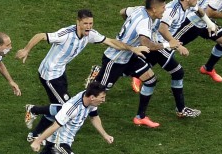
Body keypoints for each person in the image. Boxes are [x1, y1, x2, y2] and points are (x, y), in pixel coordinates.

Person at [16, 9, 147, 142]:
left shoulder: (90, 34)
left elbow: (111, 42)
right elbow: (41, 35)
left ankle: (35, 133)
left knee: (57, 105)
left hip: (60, 72)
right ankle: (34, 110)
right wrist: (26, 50)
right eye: (85, 23)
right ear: (78, 22)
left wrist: (132, 49)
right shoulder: (66, 34)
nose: (89, 27)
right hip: (49, 75)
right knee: (64, 108)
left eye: (91, 23)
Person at [93, 0, 170, 128]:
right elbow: (148, 45)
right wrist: (169, 44)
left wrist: (128, 32)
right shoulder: (144, 23)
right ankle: (72, 113)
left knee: (150, 80)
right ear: (153, 9)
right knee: (96, 94)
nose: (165, 9)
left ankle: (140, 117)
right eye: (163, 7)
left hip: (130, 55)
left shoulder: (139, 9)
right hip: (115, 59)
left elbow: (123, 11)